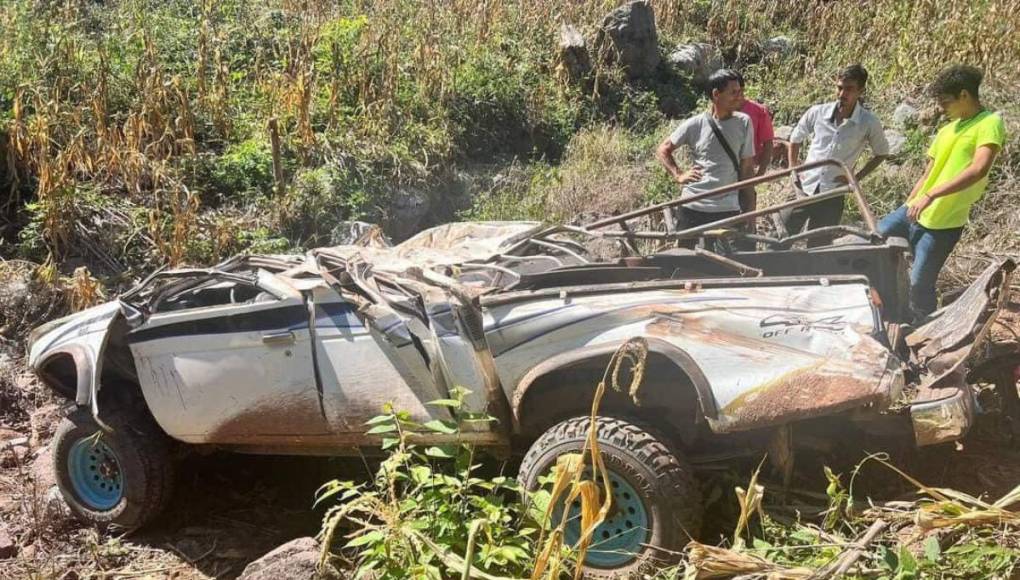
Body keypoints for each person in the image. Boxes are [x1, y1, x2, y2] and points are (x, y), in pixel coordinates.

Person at [877, 65, 1006, 318]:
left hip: (943, 223)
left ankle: (923, 329)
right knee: (875, 239)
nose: (941, 108)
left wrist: (932, 195)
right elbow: (928, 172)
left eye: (945, 101)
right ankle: (885, 307)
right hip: (914, 209)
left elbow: (979, 168)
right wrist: (911, 201)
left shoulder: (989, 123)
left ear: (965, 95)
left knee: (919, 284)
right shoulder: (947, 129)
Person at [783, 65, 890, 242]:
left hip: (833, 194)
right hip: (804, 187)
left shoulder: (868, 122)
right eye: (840, 87)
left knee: (820, 245)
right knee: (782, 234)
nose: (842, 94)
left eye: (849, 89)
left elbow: (882, 153)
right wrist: (793, 168)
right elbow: (795, 138)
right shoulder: (818, 112)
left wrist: (855, 177)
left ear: (861, 91)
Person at [656, 69, 756, 248]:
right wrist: (679, 175)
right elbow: (663, 149)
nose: (740, 96)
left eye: (741, 91)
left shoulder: (744, 123)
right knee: (686, 260)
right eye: (734, 92)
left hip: (728, 207)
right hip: (694, 205)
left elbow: (747, 169)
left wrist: (751, 208)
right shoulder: (696, 124)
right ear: (716, 94)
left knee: (734, 262)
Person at [738, 75, 775, 176]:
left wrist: (760, 173)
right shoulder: (721, 111)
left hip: (746, 170)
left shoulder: (758, 111)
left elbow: (768, 143)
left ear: (741, 89)